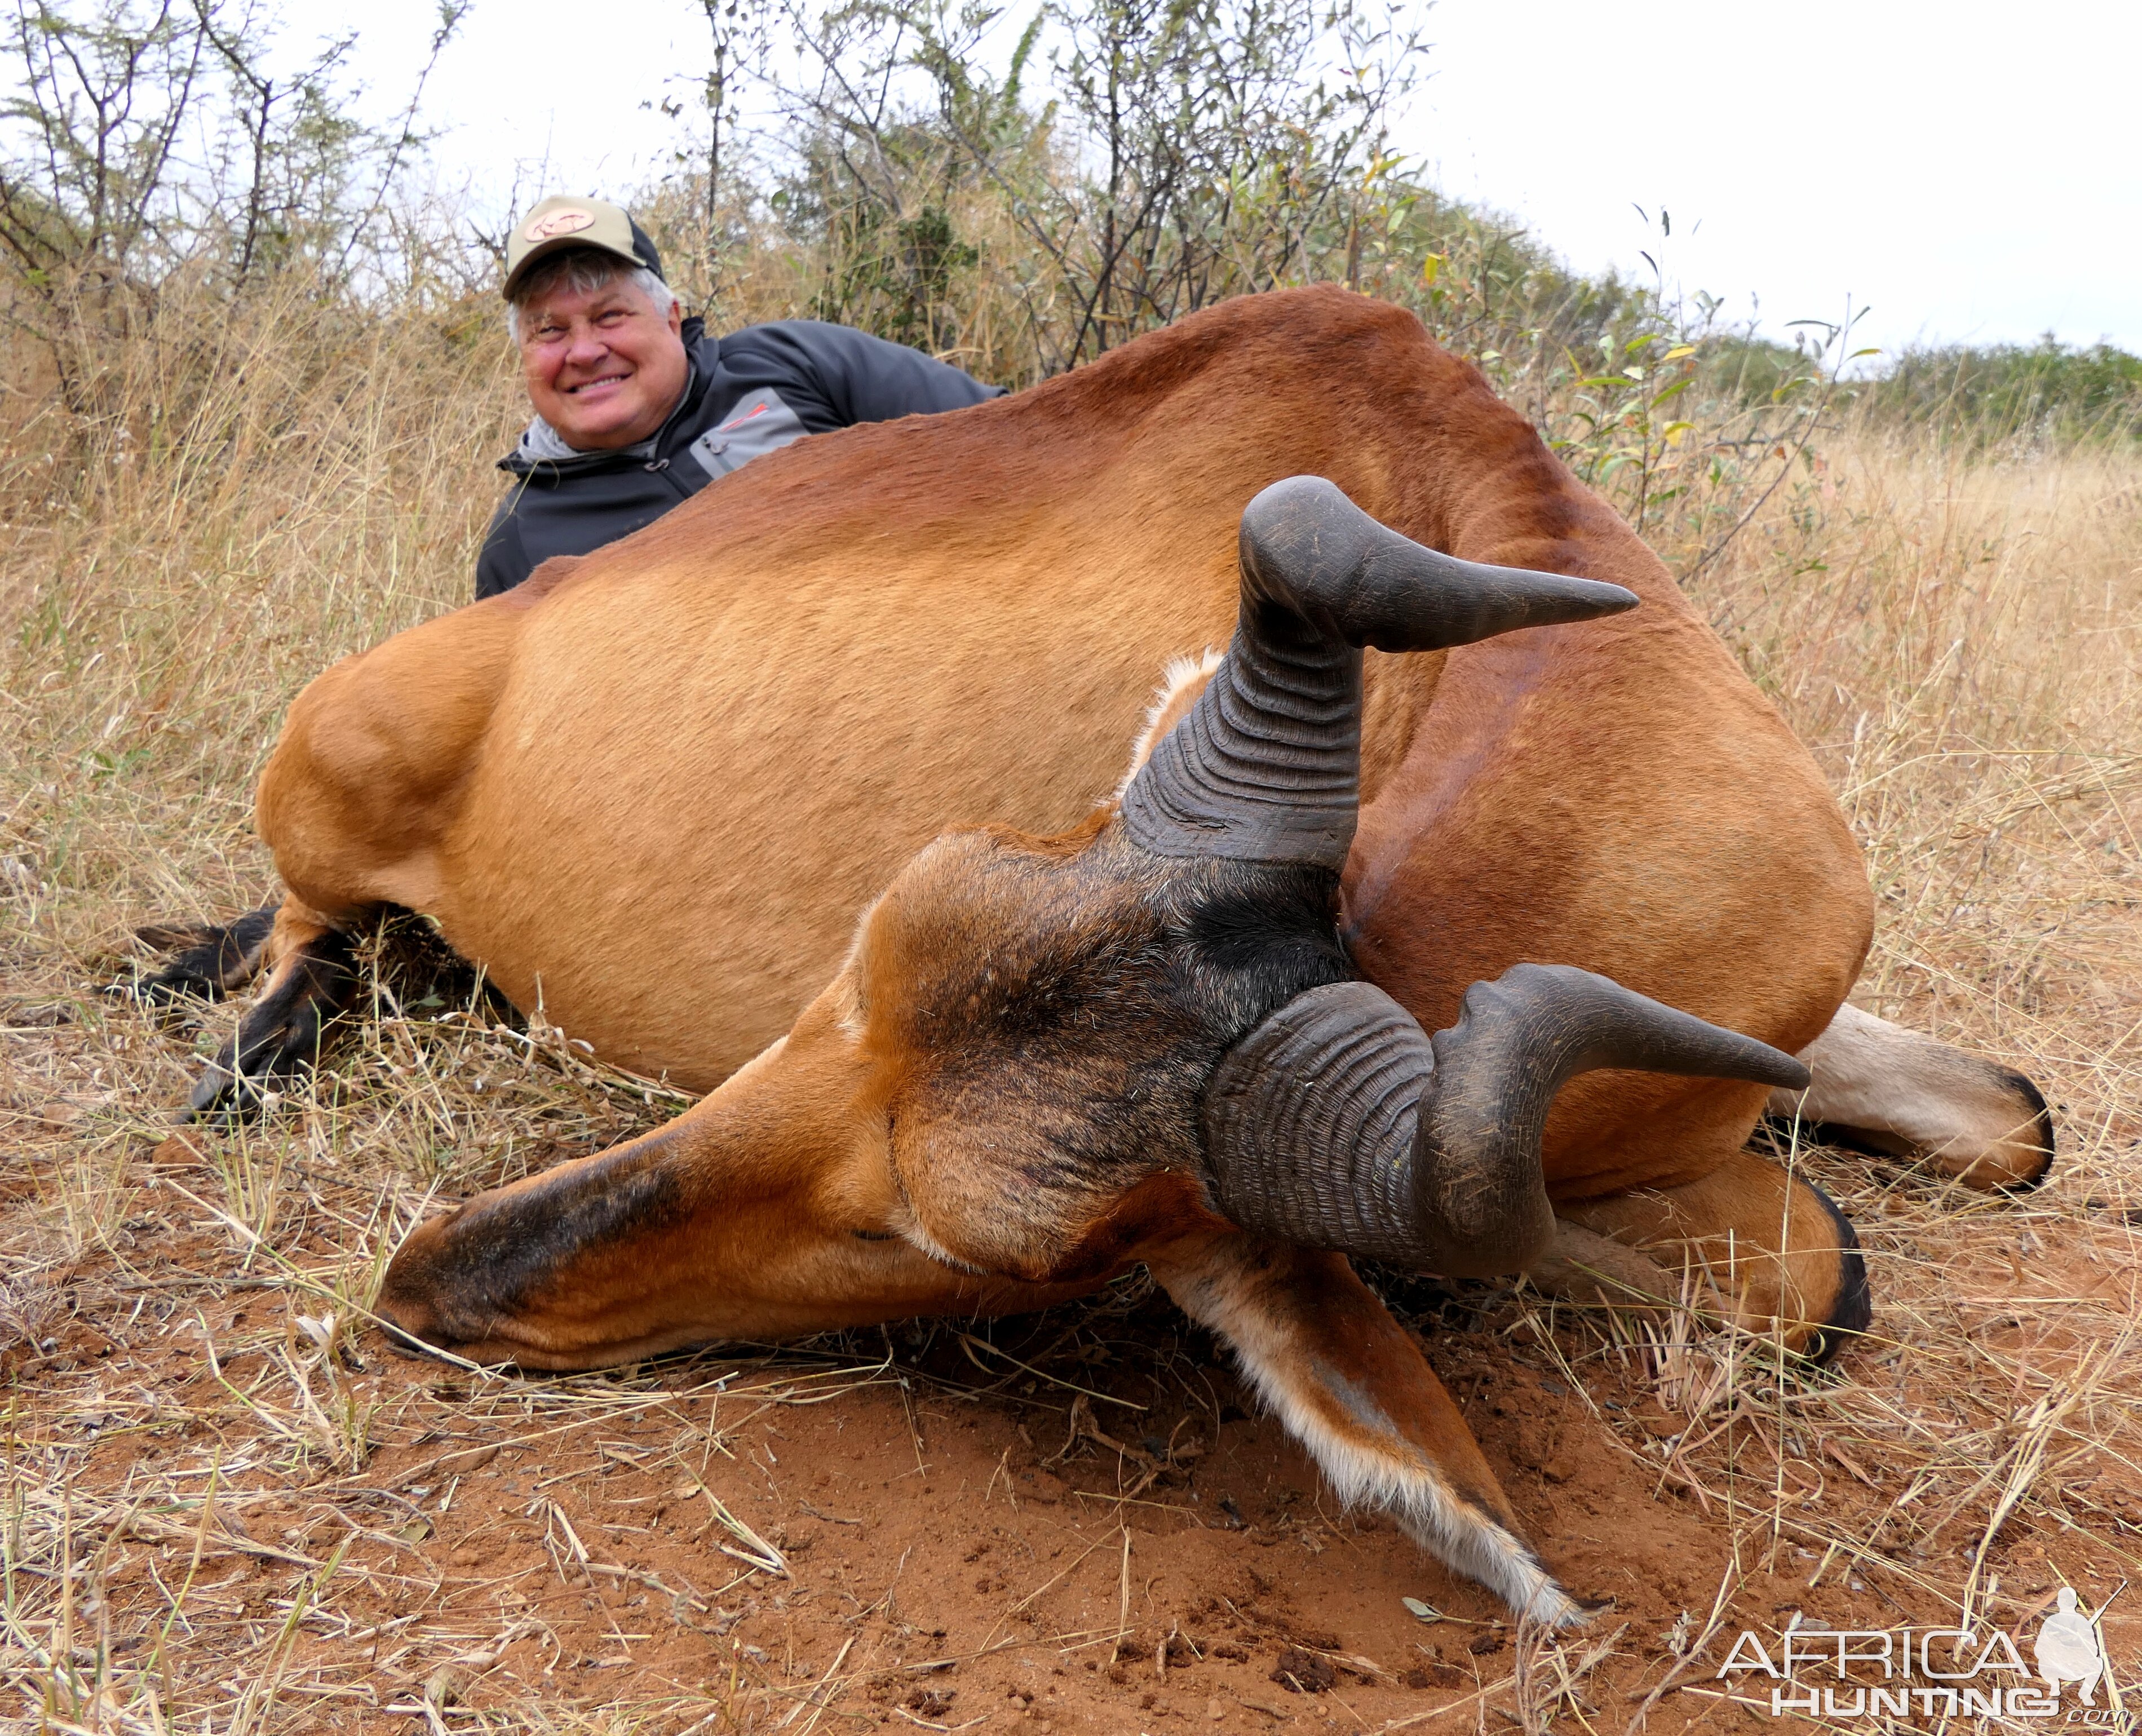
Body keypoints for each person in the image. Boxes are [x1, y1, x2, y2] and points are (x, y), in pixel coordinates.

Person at [475, 194, 1004, 599]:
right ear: (523, 355)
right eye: (549, 331)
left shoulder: (797, 362)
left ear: (671, 317)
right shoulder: (520, 540)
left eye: (610, 315)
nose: (585, 352)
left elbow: (1012, 441)